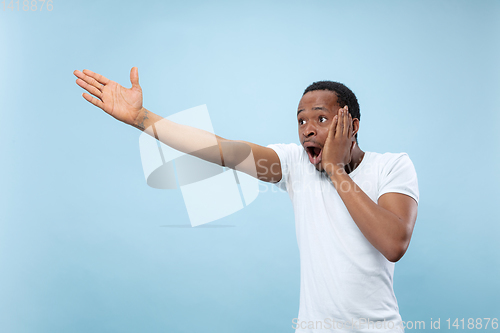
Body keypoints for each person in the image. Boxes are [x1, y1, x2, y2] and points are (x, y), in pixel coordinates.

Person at [73, 67, 419, 332]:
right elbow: (222, 150)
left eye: (321, 118)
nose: (307, 129)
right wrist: (141, 118)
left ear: (352, 125)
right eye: (301, 121)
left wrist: (336, 171)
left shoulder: (392, 166)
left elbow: (394, 243)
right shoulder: (293, 164)